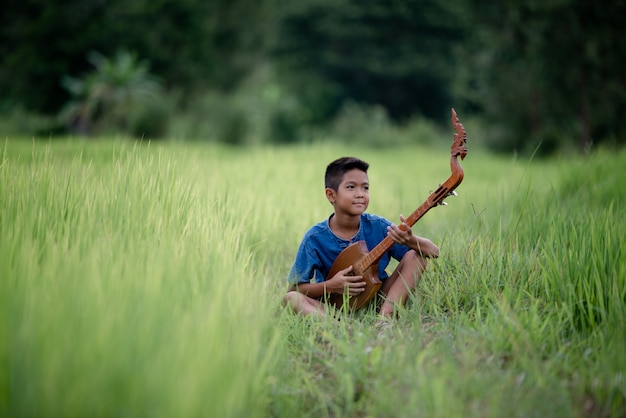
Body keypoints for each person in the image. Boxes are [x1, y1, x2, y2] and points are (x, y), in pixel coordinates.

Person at [282, 156, 439, 319]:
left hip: (378, 300)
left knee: (416, 255)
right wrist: (331, 286)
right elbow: (295, 289)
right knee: (290, 299)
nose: (360, 194)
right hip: (334, 308)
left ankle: (385, 319)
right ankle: (339, 327)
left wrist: (411, 241)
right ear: (331, 195)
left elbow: (434, 252)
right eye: (351, 187)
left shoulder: (379, 226)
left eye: (365, 188)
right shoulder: (314, 238)